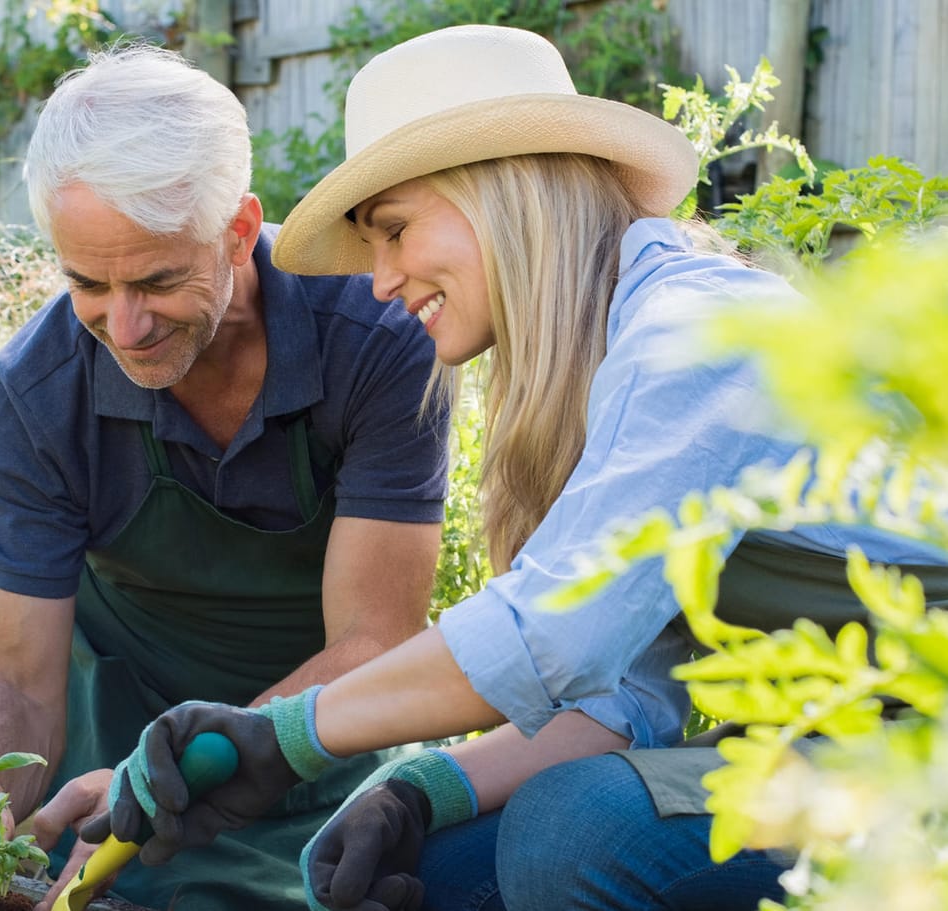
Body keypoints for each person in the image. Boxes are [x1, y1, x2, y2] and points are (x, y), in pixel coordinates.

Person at [90, 24, 948, 911]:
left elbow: (551, 632)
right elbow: (625, 702)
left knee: (575, 827)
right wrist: (419, 790)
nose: (378, 281)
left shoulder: (694, 337)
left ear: (501, 190)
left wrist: (286, 737)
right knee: (436, 864)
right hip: (839, 748)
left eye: (393, 230)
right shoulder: (605, 371)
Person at [0, 43, 453, 911]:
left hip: (324, 756)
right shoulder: (38, 393)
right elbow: (14, 677)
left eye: (157, 279)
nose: (122, 325)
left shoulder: (372, 339)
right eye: (87, 281)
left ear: (238, 231)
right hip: (111, 783)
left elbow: (375, 641)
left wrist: (186, 766)